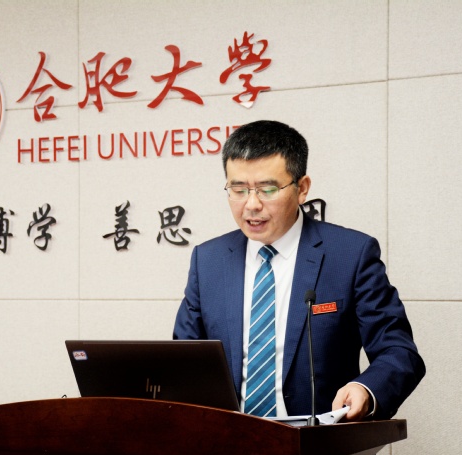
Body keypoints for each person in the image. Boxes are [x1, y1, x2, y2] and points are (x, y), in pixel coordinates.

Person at [173, 120, 425, 424]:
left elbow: (398, 351)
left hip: (322, 442)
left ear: (302, 188)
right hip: (228, 440)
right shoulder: (208, 260)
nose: (251, 205)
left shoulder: (350, 255)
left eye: (267, 189)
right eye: (238, 190)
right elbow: (183, 360)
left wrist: (366, 389)